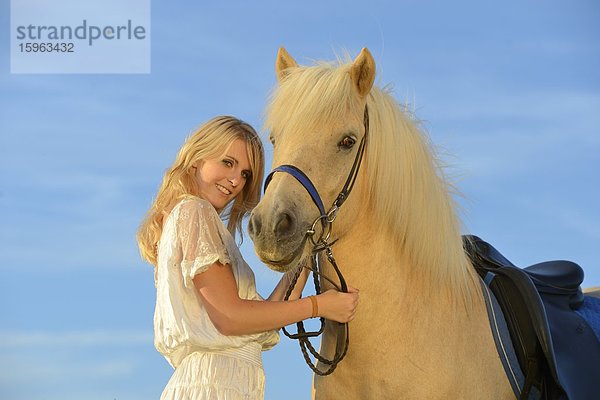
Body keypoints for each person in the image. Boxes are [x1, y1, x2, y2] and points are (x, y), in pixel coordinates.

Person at [136, 116, 359, 400]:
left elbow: (259, 320)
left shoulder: (186, 217)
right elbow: (230, 318)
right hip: (214, 387)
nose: (235, 181)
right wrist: (319, 306)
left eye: (245, 174)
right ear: (196, 159)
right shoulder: (194, 213)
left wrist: (303, 259)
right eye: (228, 163)